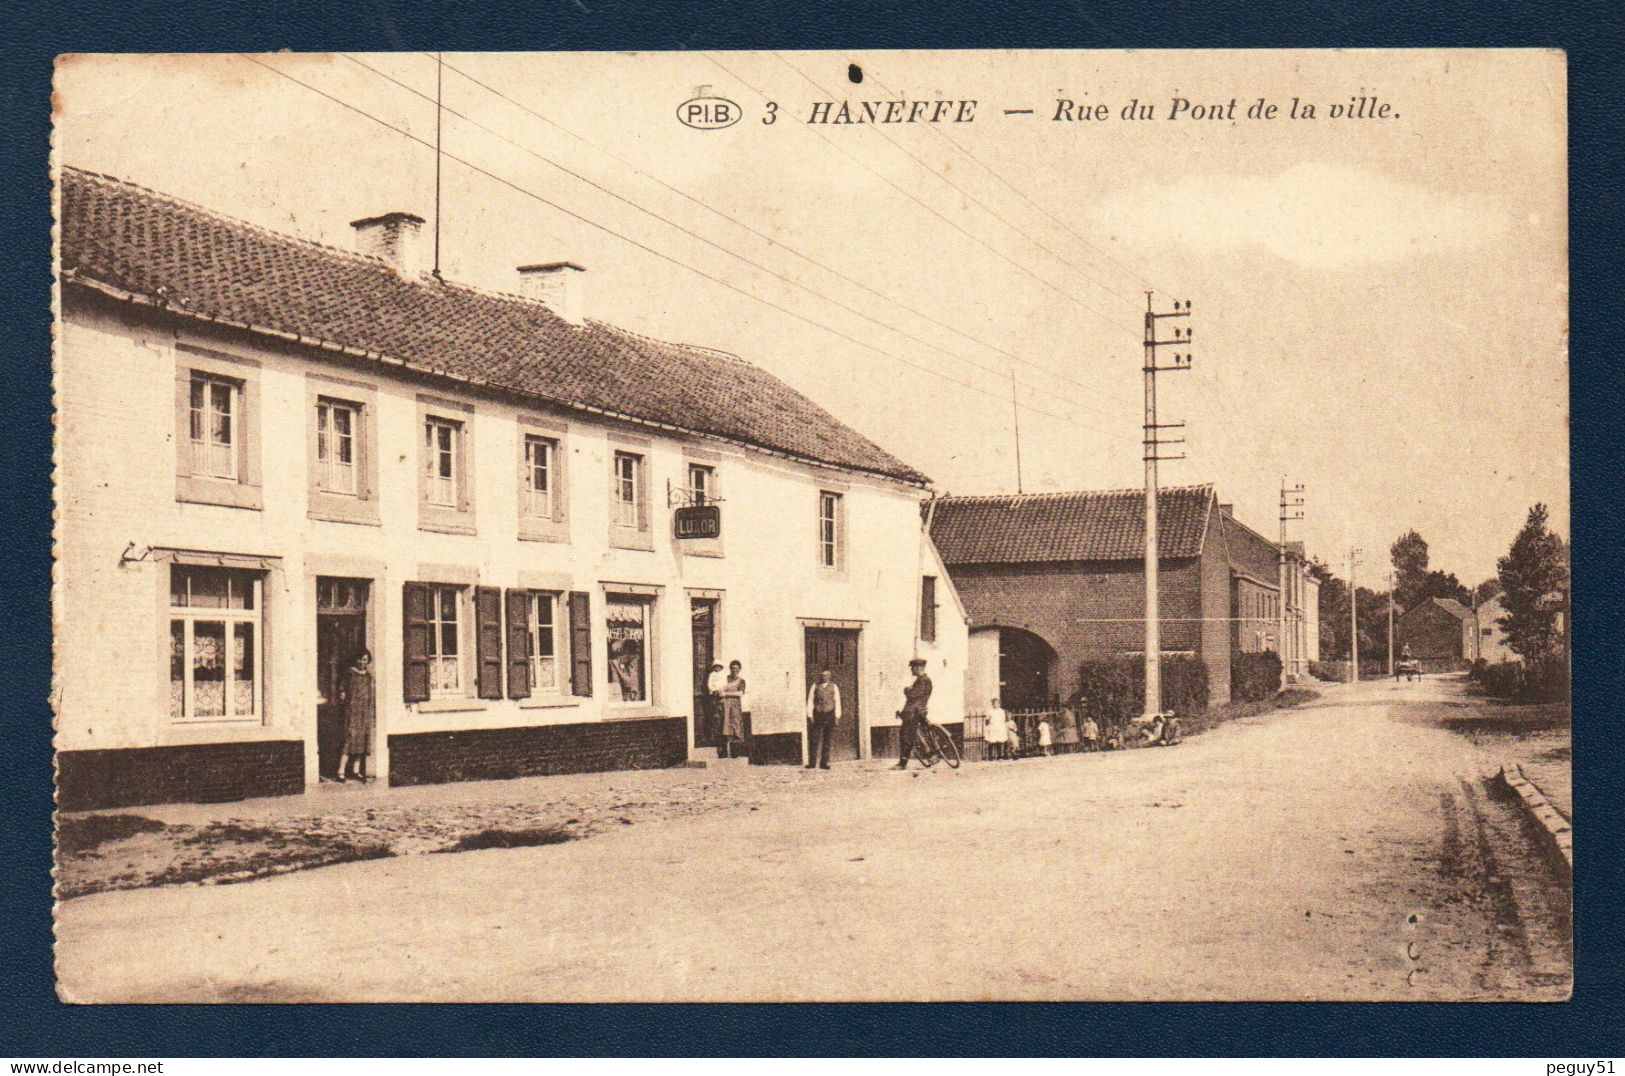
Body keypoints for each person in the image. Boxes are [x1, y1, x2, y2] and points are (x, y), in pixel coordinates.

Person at [335, 649, 375, 783]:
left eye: (365, 660)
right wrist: (342, 694)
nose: (362, 662)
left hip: (364, 712)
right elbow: (342, 689)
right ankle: (341, 771)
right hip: (352, 711)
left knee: (361, 741)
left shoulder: (369, 676)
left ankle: (356, 771)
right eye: (360, 659)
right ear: (356, 659)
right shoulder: (350, 673)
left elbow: (371, 694)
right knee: (349, 740)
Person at [893, 658, 933, 769]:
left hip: (914, 713)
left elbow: (911, 695)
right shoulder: (922, 680)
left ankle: (902, 764)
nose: (911, 670)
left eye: (912, 667)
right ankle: (931, 756)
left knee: (906, 737)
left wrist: (906, 689)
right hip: (914, 711)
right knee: (914, 735)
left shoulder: (923, 680)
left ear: (917, 668)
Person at [805, 668, 841, 770]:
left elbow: (837, 701)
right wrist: (810, 715)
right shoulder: (815, 686)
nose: (823, 677)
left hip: (829, 714)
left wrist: (837, 716)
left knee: (827, 739)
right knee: (814, 739)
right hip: (818, 714)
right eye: (822, 675)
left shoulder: (834, 687)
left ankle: (824, 763)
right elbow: (810, 700)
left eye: (826, 675)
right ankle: (812, 763)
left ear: (829, 676)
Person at [720, 660, 747, 759]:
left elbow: (740, 693)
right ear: (730, 669)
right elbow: (721, 689)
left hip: (735, 705)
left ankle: (735, 752)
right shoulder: (725, 679)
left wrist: (727, 694)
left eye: (736, 668)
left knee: (735, 724)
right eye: (732, 668)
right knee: (726, 725)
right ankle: (725, 752)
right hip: (725, 705)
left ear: (739, 669)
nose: (734, 670)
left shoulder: (741, 681)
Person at [705, 662, 726, 747]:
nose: (717, 668)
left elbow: (725, 684)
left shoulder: (723, 675)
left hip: (721, 694)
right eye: (716, 667)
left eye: (719, 667)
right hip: (714, 694)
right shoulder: (712, 675)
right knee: (715, 715)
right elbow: (709, 684)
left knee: (721, 716)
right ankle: (713, 737)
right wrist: (713, 690)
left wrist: (720, 690)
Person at [983, 697, 1008, 761]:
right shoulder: (990, 711)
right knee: (991, 742)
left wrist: (1002, 728)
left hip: (999, 727)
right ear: (992, 704)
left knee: (999, 742)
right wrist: (987, 727)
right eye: (994, 703)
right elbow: (987, 719)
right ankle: (990, 757)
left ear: (999, 704)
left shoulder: (1001, 711)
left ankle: (999, 757)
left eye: (997, 703)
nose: (995, 705)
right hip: (992, 728)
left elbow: (1003, 720)